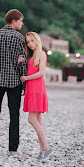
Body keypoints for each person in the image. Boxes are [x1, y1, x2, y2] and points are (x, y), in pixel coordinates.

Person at [0, 9, 27, 155]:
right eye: (21, 20)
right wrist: (24, 84)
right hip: (14, 82)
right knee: (14, 115)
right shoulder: (19, 38)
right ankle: (12, 149)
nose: (22, 23)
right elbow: (22, 63)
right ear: (13, 21)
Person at [18, 31, 52, 160]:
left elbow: (41, 73)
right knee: (38, 121)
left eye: (32, 41)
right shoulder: (30, 56)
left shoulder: (41, 53)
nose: (30, 44)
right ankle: (42, 150)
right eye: (28, 42)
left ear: (37, 40)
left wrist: (25, 78)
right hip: (31, 89)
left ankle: (47, 148)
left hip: (37, 89)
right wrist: (20, 62)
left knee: (31, 120)